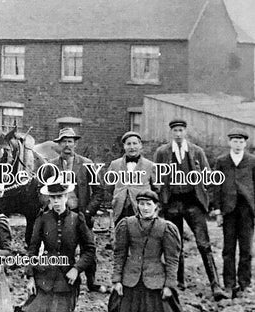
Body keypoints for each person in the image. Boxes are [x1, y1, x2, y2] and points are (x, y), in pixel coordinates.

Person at [153, 118, 228, 300]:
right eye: (175, 131)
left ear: (185, 132)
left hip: (192, 203)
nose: (178, 134)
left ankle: (215, 284)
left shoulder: (197, 152)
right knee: (174, 244)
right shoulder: (162, 152)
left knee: (203, 243)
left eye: (181, 130)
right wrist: (160, 200)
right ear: (171, 133)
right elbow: (156, 178)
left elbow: (208, 177)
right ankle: (178, 281)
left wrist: (205, 198)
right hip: (172, 203)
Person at [22, 177, 96, 312]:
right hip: (44, 275)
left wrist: (76, 269)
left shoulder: (77, 219)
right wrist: (30, 277)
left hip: (66, 278)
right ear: (49, 198)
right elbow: (33, 250)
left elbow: (89, 249)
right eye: (53, 197)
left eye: (59, 197)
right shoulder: (42, 219)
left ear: (66, 197)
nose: (56, 201)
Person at [108, 190, 184, 312]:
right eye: (141, 204)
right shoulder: (127, 224)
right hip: (132, 279)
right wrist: (117, 280)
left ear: (156, 206)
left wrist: (169, 285)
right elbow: (119, 254)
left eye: (149, 204)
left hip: (154, 279)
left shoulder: (166, 228)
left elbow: (172, 260)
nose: (145, 208)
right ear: (137, 205)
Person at [45, 127, 106, 293]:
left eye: (70, 141)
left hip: (81, 213)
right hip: (60, 214)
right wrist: (50, 207)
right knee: (62, 247)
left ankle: (92, 282)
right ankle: (62, 280)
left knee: (88, 247)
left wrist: (88, 212)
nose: (67, 145)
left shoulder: (86, 164)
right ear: (58, 144)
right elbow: (42, 190)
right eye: (63, 141)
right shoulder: (51, 166)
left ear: (75, 144)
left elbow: (99, 191)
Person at [210, 128, 255, 298]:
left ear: (245, 143)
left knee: (246, 249)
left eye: (241, 141)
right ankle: (229, 284)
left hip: (247, 210)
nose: (238, 144)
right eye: (235, 141)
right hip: (229, 210)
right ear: (229, 142)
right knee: (228, 249)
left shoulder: (252, 161)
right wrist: (217, 210)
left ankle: (244, 284)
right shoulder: (222, 161)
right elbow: (216, 186)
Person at [107, 131, 157, 225]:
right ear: (124, 146)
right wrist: (118, 196)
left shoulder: (149, 165)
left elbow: (156, 188)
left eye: (135, 143)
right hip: (120, 208)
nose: (132, 147)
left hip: (141, 208)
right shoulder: (115, 164)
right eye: (128, 144)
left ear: (140, 145)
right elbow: (109, 186)